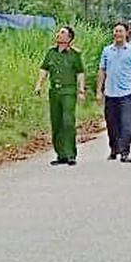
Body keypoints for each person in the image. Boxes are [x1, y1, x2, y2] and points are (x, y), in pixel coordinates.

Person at [35, 25, 86, 166]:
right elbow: (44, 69)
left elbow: (80, 73)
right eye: (59, 32)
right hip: (55, 92)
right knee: (56, 122)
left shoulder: (75, 55)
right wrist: (39, 85)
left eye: (62, 33)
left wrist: (81, 90)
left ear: (69, 38)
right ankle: (60, 154)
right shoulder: (51, 53)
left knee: (68, 121)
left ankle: (70, 154)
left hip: (68, 92)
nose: (58, 34)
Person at [97, 22, 131, 163]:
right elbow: (102, 70)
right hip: (110, 93)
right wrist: (99, 90)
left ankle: (124, 151)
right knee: (111, 123)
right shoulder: (107, 51)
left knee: (126, 123)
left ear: (126, 33)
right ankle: (114, 149)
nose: (118, 34)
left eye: (121, 31)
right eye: (116, 31)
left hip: (126, 93)